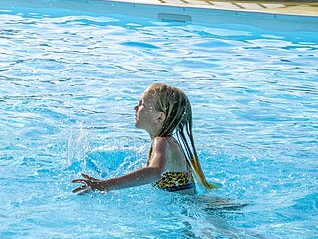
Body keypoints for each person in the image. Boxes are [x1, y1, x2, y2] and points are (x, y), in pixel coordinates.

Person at [73, 82, 217, 194]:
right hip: (192, 207)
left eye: (142, 104)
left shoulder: (161, 142)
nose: (136, 107)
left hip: (192, 210)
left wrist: (106, 184)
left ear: (159, 117)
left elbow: (154, 172)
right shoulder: (167, 142)